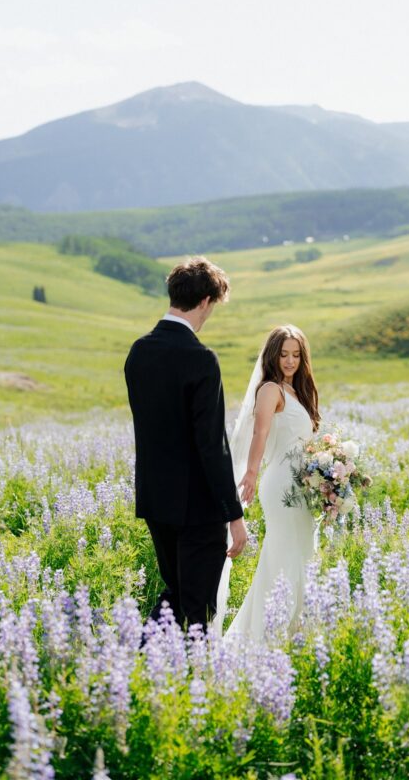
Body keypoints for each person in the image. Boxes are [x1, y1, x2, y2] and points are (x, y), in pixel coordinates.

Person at [124, 256, 247, 630]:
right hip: (198, 507)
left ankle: (136, 659)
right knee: (198, 611)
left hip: (156, 500)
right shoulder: (200, 359)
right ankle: (169, 664)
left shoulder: (138, 352)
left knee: (177, 597)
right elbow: (212, 445)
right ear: (206, 301)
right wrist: (233, 514)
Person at [217, 324, 320, 641]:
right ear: (273, 356)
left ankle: (295, 631)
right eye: (284, 354)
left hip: (303, 487)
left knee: (303, 554)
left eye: (296, 355)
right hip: (281, 485)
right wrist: (250, 472)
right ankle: (263, 635)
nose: (290, 361)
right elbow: (260, 433)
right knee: (282, 556)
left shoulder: (297, 392)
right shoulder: (270, 390)